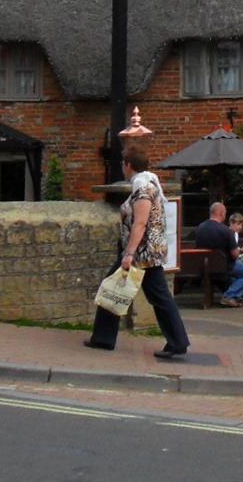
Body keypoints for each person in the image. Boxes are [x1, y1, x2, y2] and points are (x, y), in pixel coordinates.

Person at [85, 146, 190, 359]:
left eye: (123, 163)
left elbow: (140, 223)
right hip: (146, 253)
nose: (122, 167)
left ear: (128, 164)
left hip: (142, 255)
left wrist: (129, 254)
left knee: (147, 295)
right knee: (136, 292)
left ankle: (177, 342)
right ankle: (176, 342)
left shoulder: (143, 188)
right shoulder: (147, 183)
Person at [196, 202, 243, 307]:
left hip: (204, 265)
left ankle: (235, 296)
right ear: (222, 213)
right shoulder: (226, 230)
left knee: (233, 279)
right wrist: (240, 250)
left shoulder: (200, 228)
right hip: (224, 265)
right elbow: (235, 255)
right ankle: (229, 296)